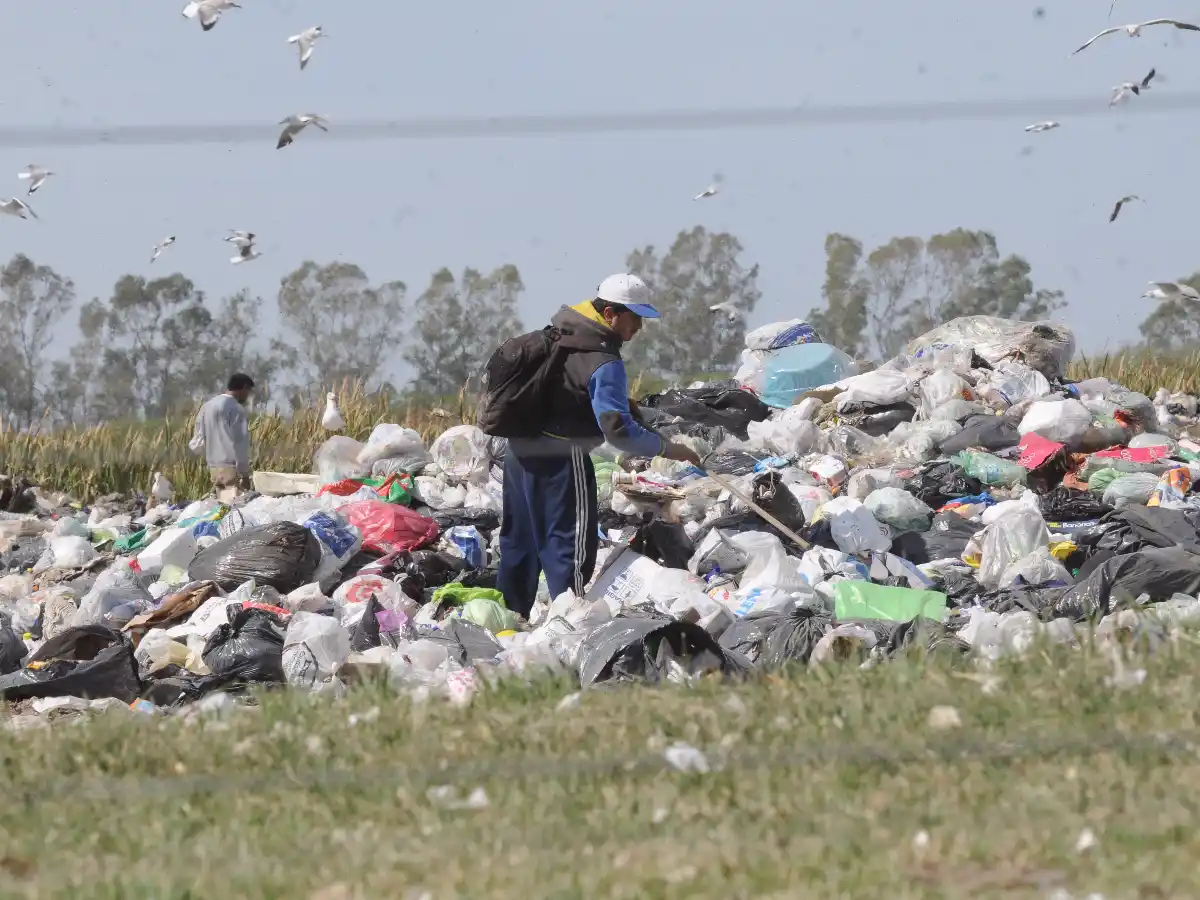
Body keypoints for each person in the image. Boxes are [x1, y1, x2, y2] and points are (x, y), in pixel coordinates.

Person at [496, 274, 703, 618]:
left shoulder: (558, 335)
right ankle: (571, 620)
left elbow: (566, 392)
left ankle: (508, 619)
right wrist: (669, 449)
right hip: (560, 457)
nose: (639, 327)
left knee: (520, 540)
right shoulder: (604, 360)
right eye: (634, 317)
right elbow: (619, 432)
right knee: (569, 543)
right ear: (609, 314)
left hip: (519, 452)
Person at [191, 373, 255, 503]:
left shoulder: (207, 406)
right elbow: (240, 443)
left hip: (213, 467)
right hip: (231, 468)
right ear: (244, 387)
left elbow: (197, 441)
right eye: (248, 391)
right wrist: (244, 474)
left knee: (222, 505)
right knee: (234, 507)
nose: (247, 396)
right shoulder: (236, 409)